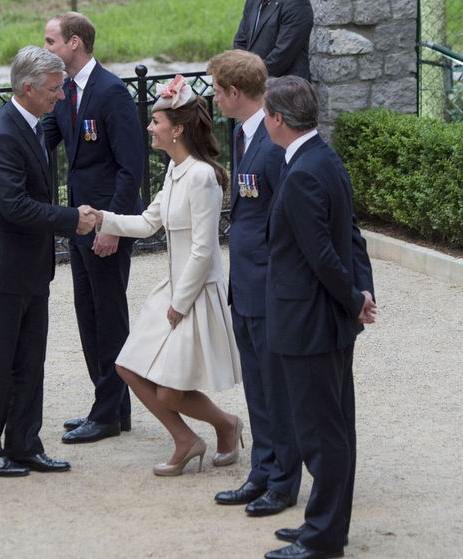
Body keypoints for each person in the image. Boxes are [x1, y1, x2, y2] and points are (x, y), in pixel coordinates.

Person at [84, 76, 243, 476]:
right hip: (171, 290)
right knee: (127, 366)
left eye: (156, 121)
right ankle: (186, 440)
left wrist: (180, 303)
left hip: (194, 293)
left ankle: (226, 425)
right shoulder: (175, 170)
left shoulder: (202, 177)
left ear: (178, 129)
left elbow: (203, 250)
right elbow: (146, 223)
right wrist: (102, 218)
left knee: (171, 392)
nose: (150, 128)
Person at [0, 46, 96, 477]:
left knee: (30, 360)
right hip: (1, 269)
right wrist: (72, 219)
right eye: (54, 89)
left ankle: (24, 444)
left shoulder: (31, 125)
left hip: (28, 266)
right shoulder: (2, 134)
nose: (61, 95)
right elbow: (15, 206)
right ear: (28, 88)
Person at [262, 76, 376, 559]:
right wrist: (362, 292)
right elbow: (351, 235)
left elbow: (323, 254)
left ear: (278, 119)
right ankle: (325, 525)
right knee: (334, 428)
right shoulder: (323, 158)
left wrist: (353, 298)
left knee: (322, 435)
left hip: (309, 324)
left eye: (266, 114)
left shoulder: (304, 172)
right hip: (328, 320)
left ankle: (323, 538)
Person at [208, 50, 302, 517]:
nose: (213, 98)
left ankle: (283, 480)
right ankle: (262, 471)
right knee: (258, 389)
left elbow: (285, 218)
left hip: (268, 287)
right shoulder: (243, 134)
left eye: (216, 90)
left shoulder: (272, 141)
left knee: (276, 390)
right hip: (245, 285)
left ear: (234, 92)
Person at [43, 12, 144, 444]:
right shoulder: (65, 90)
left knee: (109, 317)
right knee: (89, 315)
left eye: (50, 41)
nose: (46, 48)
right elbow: (43, 134)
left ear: (75, 43)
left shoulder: (111, 91)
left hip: (106, 224)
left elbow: (131, 167)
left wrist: (113, 226)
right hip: (80, 224)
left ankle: (106, 414)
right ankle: (113, 408)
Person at [233, 0, 314, 81]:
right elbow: (240, 42)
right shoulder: (253, 2)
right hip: (253, 81)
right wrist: (239, 71)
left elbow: (281, 56)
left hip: (286, 84)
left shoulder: (297, 4)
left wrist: (249, 76)